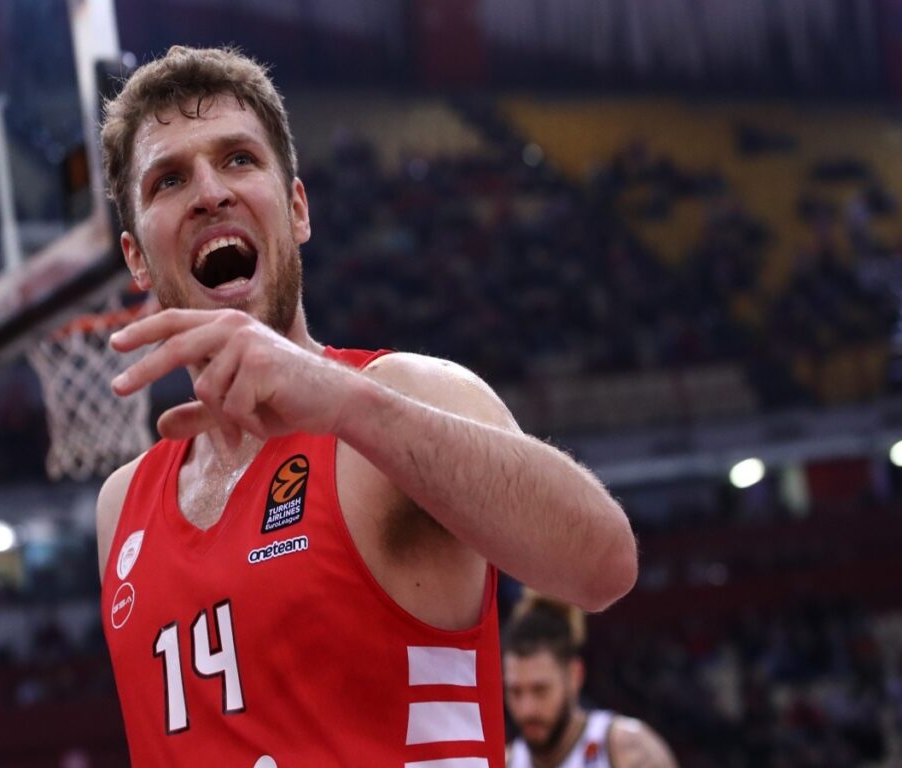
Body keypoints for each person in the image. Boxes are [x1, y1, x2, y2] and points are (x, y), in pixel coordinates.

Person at [96, 45, 637, 767]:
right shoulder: (121, 507)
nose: (210, 192)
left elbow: (603, 564)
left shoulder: (403, 395)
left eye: (238, 159)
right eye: (169, 179)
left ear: (297, 210)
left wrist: (346, 404)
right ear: (136, 258)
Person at [503, 595, 677, 768]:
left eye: (540, 690)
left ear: (575, 676)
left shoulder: (631, 750)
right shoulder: (504, 762)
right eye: (515, 692)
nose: (527, 709)